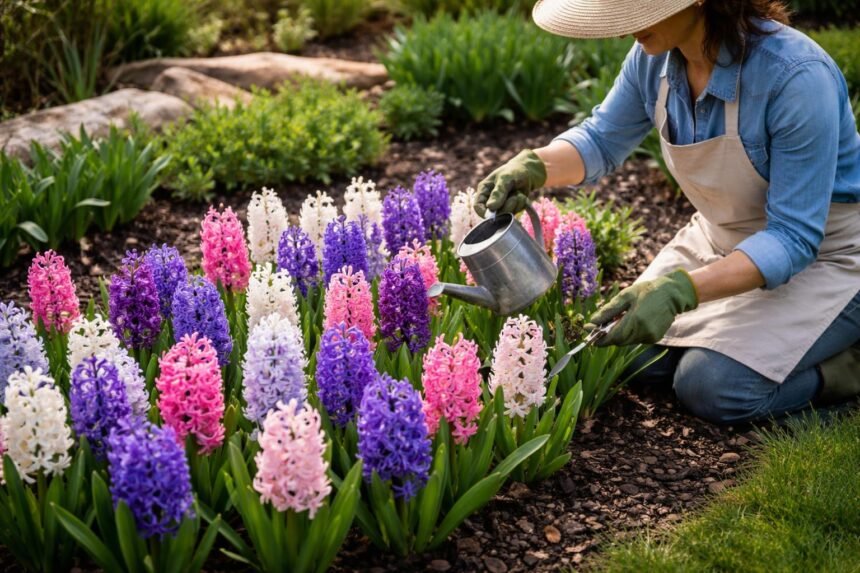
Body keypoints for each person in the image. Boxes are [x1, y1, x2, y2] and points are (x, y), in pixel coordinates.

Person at [474, 0, 860, 424]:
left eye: (636, 11)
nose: (624, 29)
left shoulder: (795, 77)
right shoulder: (652, 60)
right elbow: (601, 140)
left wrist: (680, 291)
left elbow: (793, 238)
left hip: (831, 257)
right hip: (721, 240)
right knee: (630, 353)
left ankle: (846, 368)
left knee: (711, 385)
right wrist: (533, 167)